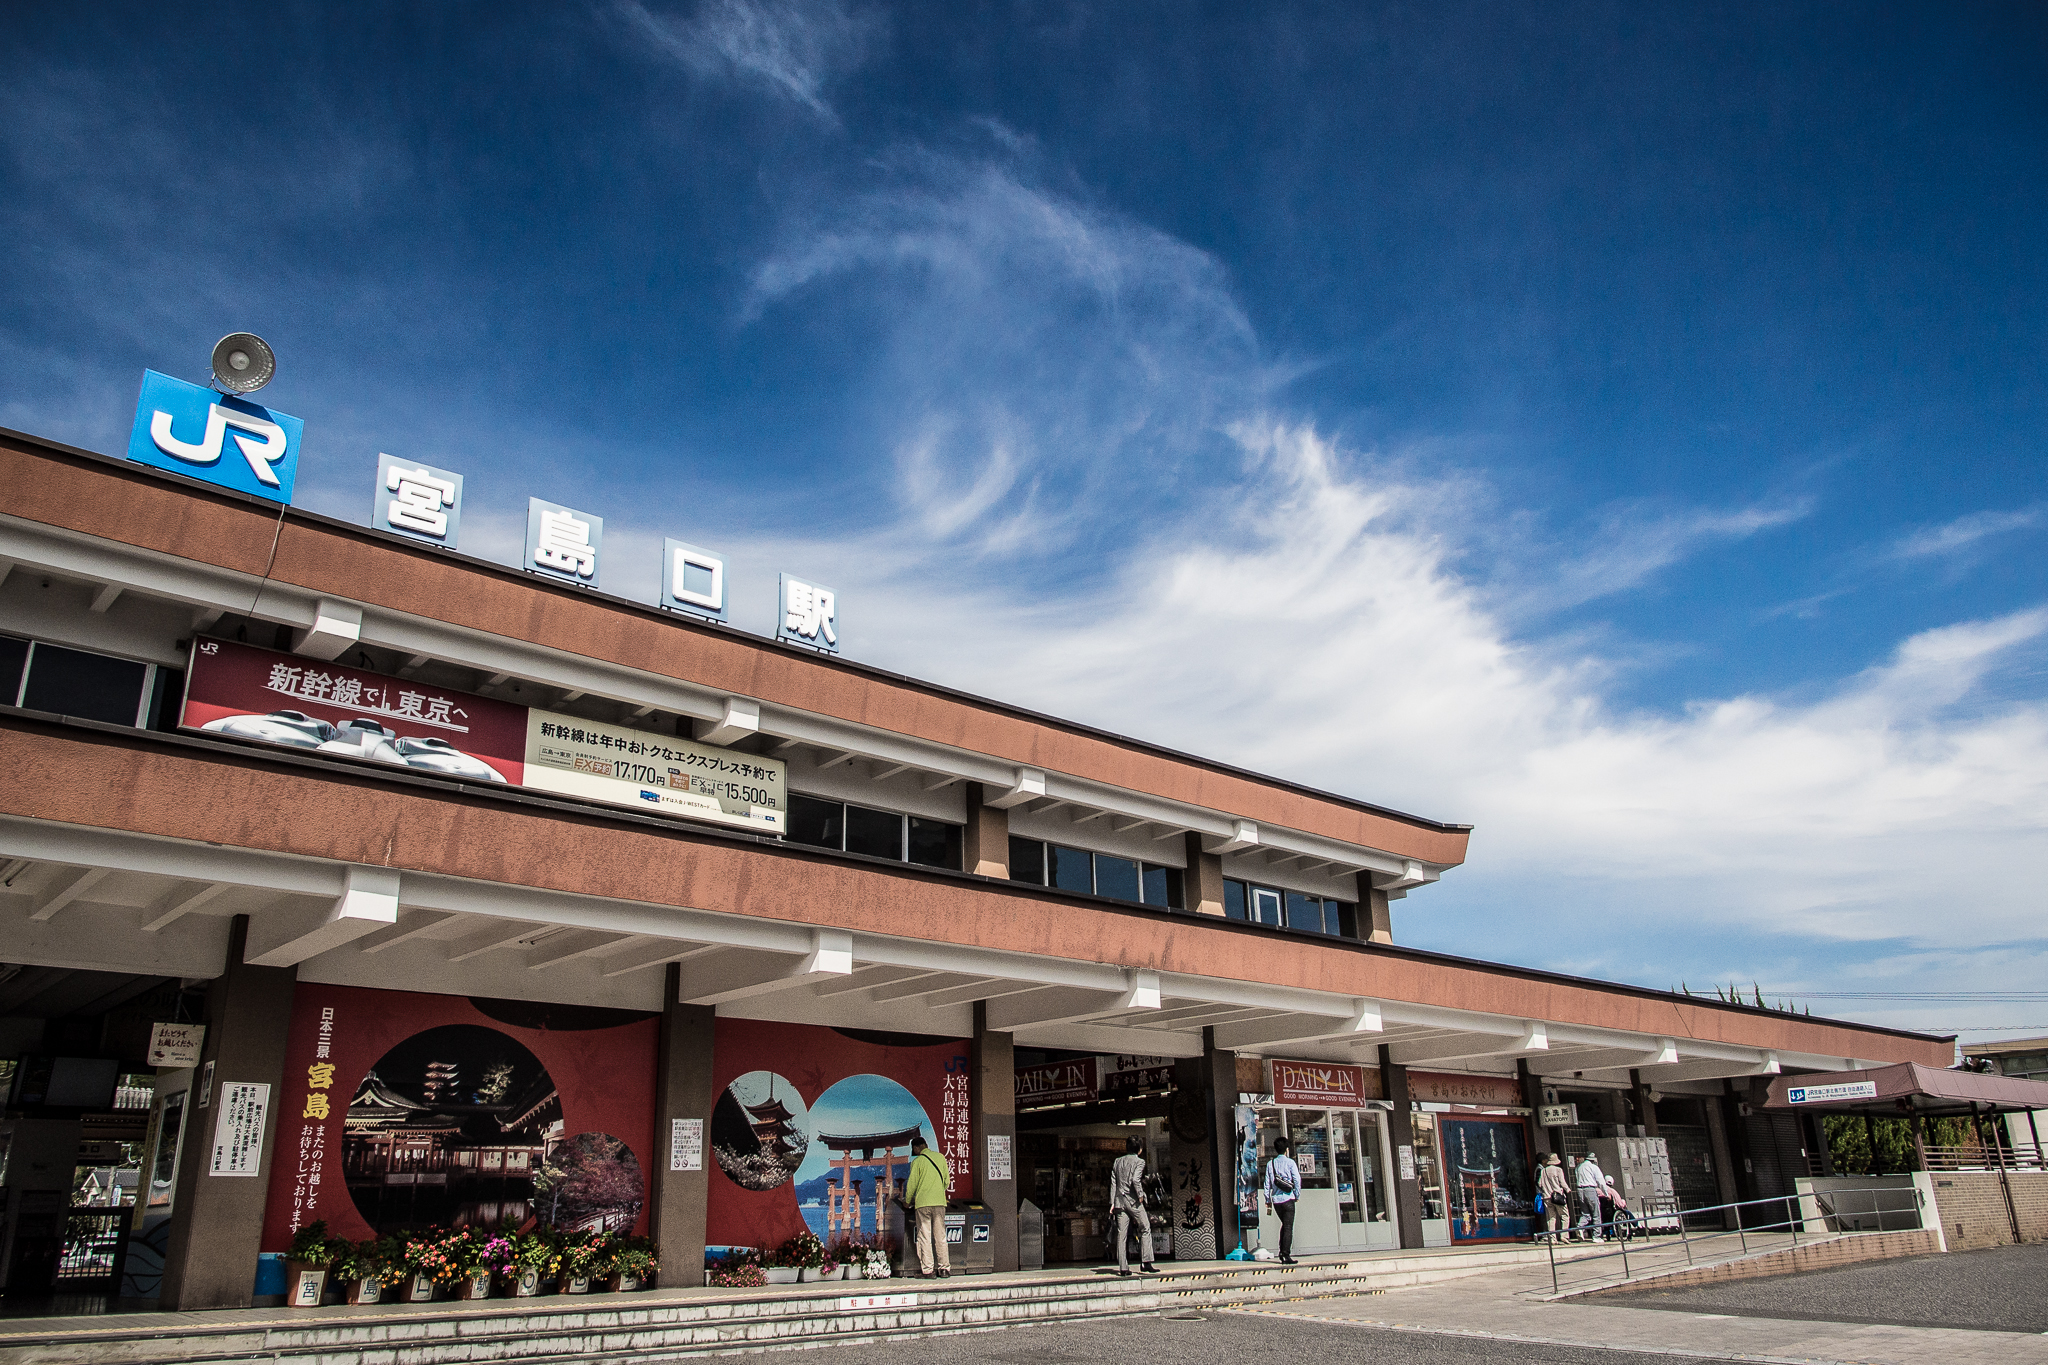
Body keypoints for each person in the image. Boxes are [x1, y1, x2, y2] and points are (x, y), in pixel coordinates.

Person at [904, 1134, 953, 1278]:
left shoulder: (917, 1162)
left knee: (925, 1236)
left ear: (917, 1148)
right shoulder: (940, 1158)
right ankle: (944, 1269)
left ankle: (928, 1270)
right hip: (939, 1202)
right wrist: (937, 1191)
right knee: (940, 1235)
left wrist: (907, 1201)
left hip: (923, 1204)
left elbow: (912, 1185)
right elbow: (947, 1182)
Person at [1109, 1135, 1158, 1276]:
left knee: (1122, 1234)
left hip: (1119, 1200)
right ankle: (1146, 1262)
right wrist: (1141, 1195)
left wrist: (1112, 1202)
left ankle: (1123, 1267)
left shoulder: (1117, 1161)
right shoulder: (1139, 1161)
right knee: (1145, 1227)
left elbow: (1113, 1183)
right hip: (1133, 1200)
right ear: (1139, 1149)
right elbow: (1136, 1180)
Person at [1264, 1136, 1302, 1264]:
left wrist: (1267, 1199)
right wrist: (1297, 1195)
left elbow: (1267, 1184)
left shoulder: (1270, 1164)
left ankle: (1282, 1251)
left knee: (1285, 1225)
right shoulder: (1290, 1163)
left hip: (1276, 1201)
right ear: (1287, 1149)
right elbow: (1297, 1180)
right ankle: (1285, 1254)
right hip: (1288, 1199)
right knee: (1288, 1226)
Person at [1536, 1152, 1571, 1242]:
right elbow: (1562, 1182)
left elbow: (1539, 1184)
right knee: (1564, 1216)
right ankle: (1564, 1235)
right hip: (1557, 1196)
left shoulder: (1543, 1171)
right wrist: (1567, 1189)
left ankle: (1552, 1238)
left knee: (1550, 1218)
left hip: (1547, 1197)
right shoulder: (1558, 1170)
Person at [1572, 1151, 1606, 1242]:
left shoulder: (1578, 1167)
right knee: (1596, 1214)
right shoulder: (1594, 1167)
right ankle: (1596, 1236)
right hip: (1590, 1189)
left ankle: (1580, 1227)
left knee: (1585, 1214)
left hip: (1579, 1190)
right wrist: (1605, 1193)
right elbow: (1601, 1181)